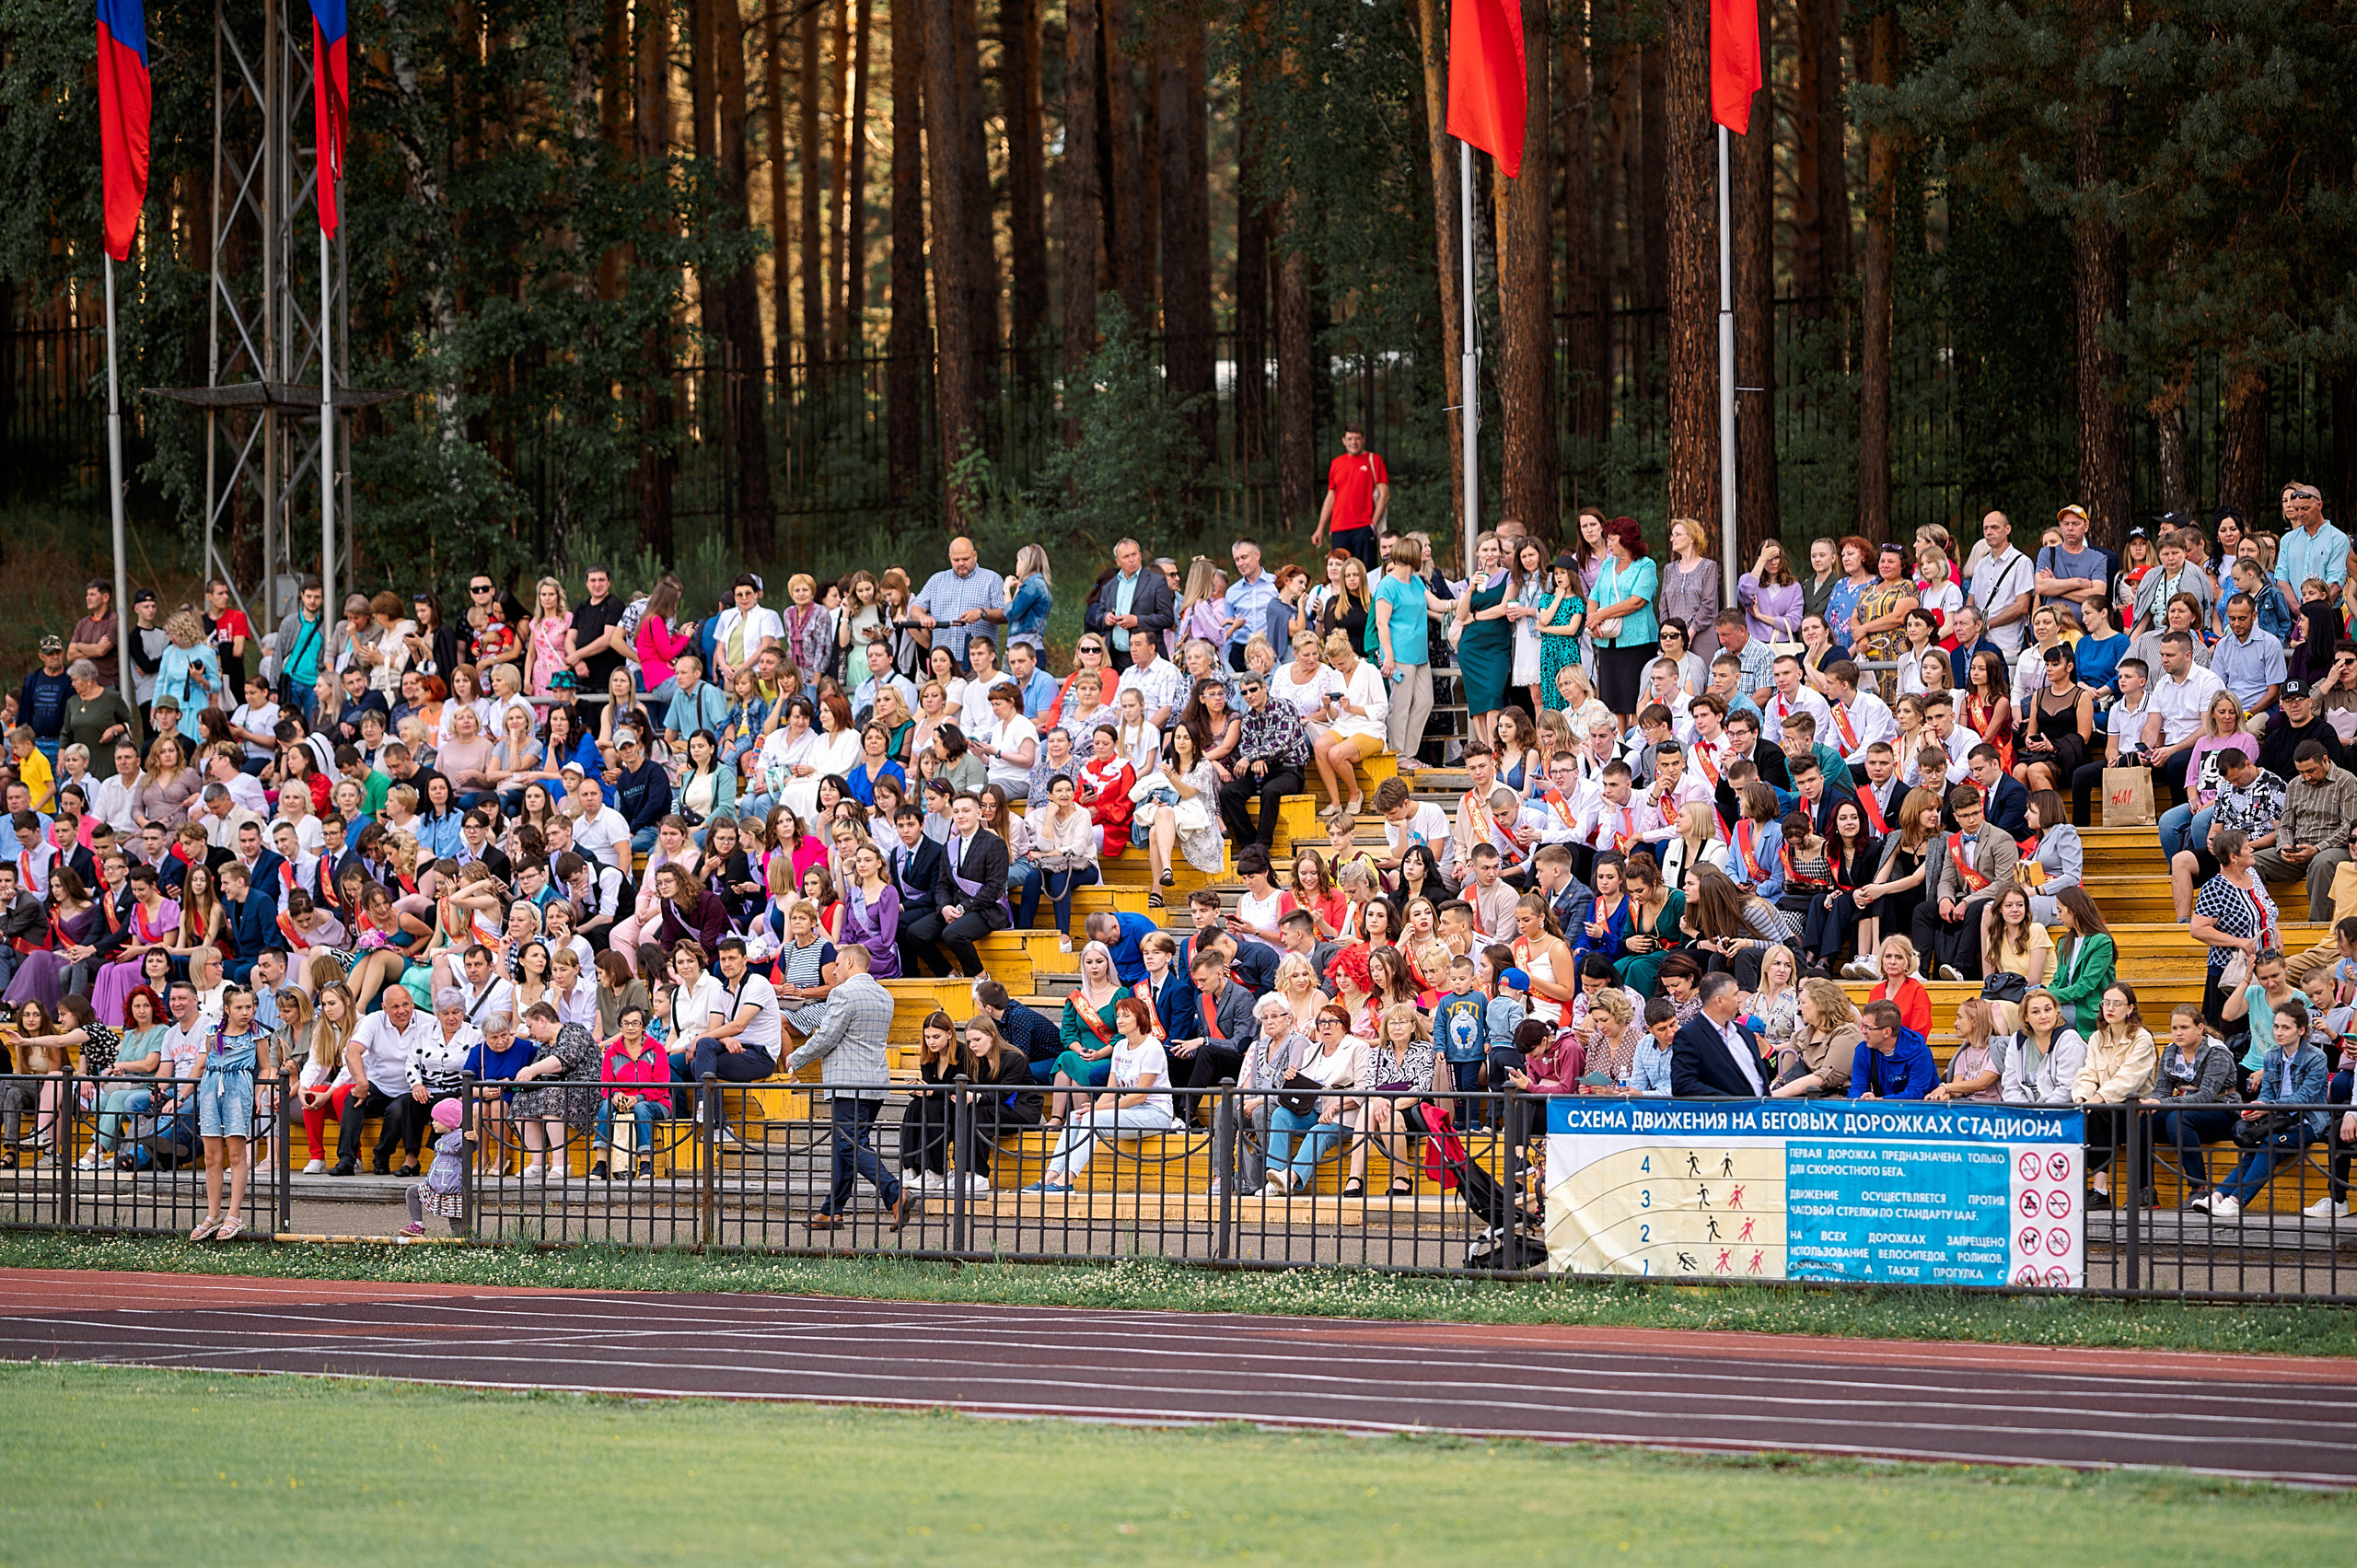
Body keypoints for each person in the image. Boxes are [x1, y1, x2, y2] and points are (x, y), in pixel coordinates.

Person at [1025, 995, 1178, 1193]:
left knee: (1092, 1118)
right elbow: (1111, 1091)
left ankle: (1067, 1181)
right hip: (1130, 1110)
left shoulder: (1152, 1048)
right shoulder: (1121, 1046)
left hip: (1155, 1113)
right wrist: (1093, 1108)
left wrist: (1097, 1108)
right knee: (1075, 1116)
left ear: (1140, 1018)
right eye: (1118, 1016)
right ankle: (1051, 1175)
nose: (1119, 1020)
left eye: (1126, 1016)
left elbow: (1140, 1096)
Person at [2198, 997, 2328, 1220]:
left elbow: (2304, 1098)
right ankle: (2218, 1196)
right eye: (2276, 1026)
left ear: (2301, 1030)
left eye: (2286, 1027)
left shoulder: (2316, 1058)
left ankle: (2236, 1200)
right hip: (2278, 1118)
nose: (2278, 1032)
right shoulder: (2272, 1056)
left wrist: (2269, 1107)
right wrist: (2260, 1105)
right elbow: (2267, 1092)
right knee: (2256, 1149)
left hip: (2309, 1121)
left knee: (2270, 1144)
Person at [188, 984, 273, 1242]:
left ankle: (233, 1214)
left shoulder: (258, 1035)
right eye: (239, 1007)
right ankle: (213, 1215)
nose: (246, 1012)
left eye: (250, 1006)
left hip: (239, 1090)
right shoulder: (212, 1033)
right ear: (227, 1009)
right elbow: (203, 1064)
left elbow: (266, 1068)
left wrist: (258, 1096)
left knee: (237, 1155)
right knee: (212, 1158)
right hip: (212, 1089)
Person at [1910, 784, 2017, 981]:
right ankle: (1919, 971)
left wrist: (1967, 902)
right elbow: (1947, 878)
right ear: (1955, 817)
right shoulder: (1954, 842)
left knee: (1975, 910)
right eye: (1966, 815)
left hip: (1992, 901)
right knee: (1922, 910)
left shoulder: (2002, 839)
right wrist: (1944, 899)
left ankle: (1960, 968)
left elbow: (2004, 883)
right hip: (1962, 898)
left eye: (1976, 813)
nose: (1972, 819)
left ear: (1981, 808)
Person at [1373, 537, 1455, 769]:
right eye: (1420, 552)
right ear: (1411, 555)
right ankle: (1398, 756)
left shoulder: (1416, 582)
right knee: (1400, 706)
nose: (1424, 556)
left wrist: (1465, 601)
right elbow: (1382, 623)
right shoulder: (1387, 585)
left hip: (1420, 656)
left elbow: (1438, 605)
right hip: (1399, 655)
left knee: (1425, 702)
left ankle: (1407, 753)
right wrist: (1388, 655)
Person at [2077, 983, 2159, 1209]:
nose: (2109, 1008)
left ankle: (2102, 1190)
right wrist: (2081, 1099)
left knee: (2097, 1116)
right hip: (2105, 1108)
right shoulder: (2097, 1038)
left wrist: (2098, 1099)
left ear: (2130, 1008)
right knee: (2085, 1116)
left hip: (2136, 1108)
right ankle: (2096, 1189)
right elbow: (2088, 1072)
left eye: (2117, 1003)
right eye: (2105, 1003)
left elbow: (2129, 1079)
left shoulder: (2142, 1038)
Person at [1669, 970, 1768, 1098]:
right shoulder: (1689, 1036)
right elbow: (1683, 1085)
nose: (1740, 999)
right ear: (1719, 1001)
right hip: (1726, 1114)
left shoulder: (1745, 1033)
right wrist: (1732, 1102)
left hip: (1760, 1113)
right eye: (1735, 994)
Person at [1313, 424, 1388, 566]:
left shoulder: (1374, 460)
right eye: (1350, 438)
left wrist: (1373, 523)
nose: (1354, 442)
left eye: (1357, 438)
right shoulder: (1336, 463)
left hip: (1364, 526)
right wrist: (1320, 528)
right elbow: (1330, 497)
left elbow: (1384, 495)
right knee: (1339, 572)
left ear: (1363, 439)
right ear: (1343, 440)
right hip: (1339, 527)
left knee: (1367, 571)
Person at [1850, 998, 1937, 1100]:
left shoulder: (1919, 1052)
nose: (1863, 1031)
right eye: (1863, 1026)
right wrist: (1862, 1099)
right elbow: (1857, 1088)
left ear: (1887, 1032)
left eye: (1868, 1027)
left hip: (1920, 1112)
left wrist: (1881, 1101)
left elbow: (1916, 1093)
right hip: (1882, 1111)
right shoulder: (1863, 1050)